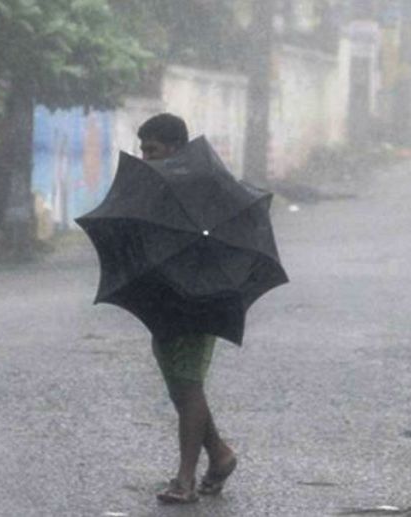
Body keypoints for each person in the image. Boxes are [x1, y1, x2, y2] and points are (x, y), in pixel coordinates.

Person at [136, 113, 238, 504]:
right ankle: (221, 454)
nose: (145, 157)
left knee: (188, 385)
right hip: (167, 297)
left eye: (153, 150)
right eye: (143, 149)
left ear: (175, 148)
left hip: (196, 298)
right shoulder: (164, 183)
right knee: (182, 387)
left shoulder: (198, 185)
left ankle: (184, 480)